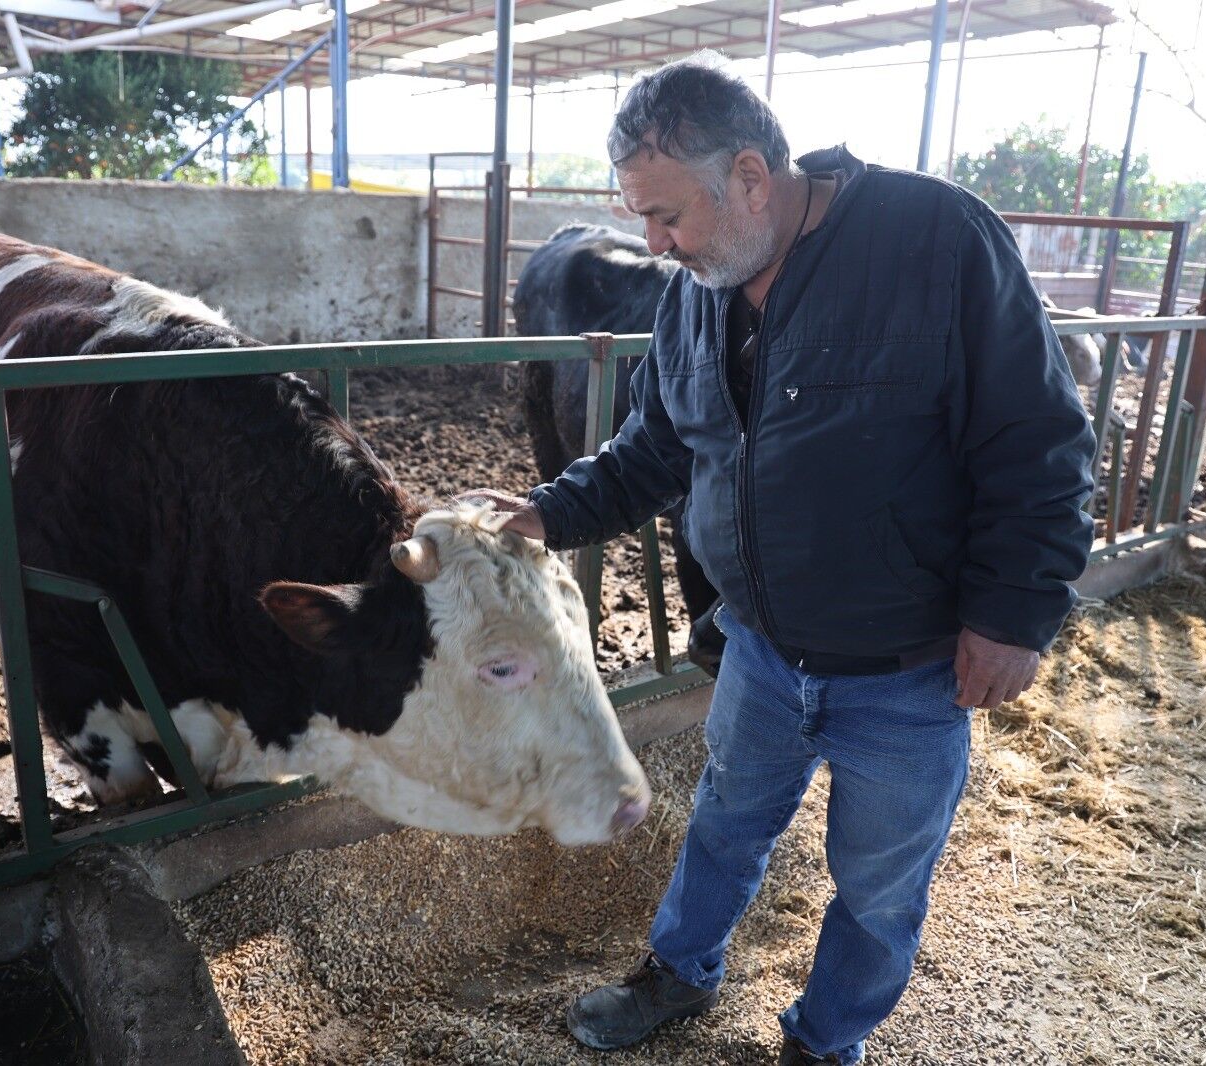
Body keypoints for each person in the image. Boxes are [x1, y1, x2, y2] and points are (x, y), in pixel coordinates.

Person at [462, 52, 1096, 1065]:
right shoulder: (694, 291)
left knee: (879, 879)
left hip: (909, 665)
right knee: (722, 822)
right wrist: (544, 512)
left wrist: (1015, 615)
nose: (654, 243)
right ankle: (677, 971)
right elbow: (657, 449)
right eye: (639, 217)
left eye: (666, 215)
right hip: (759, 649)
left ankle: (825, 1039)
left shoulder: (933, 241)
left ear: (752, 177)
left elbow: (1037, 441)